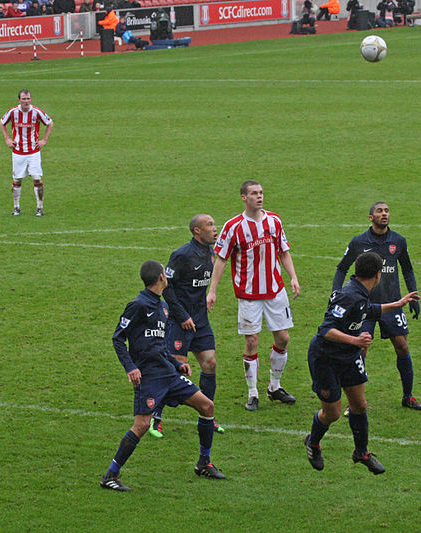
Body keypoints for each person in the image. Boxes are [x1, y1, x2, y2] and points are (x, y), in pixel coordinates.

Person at [100, 260, 226, 491]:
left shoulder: (163, 307)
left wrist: (176, 365)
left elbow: (159, 345)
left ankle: (203, 463)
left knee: (207, 407)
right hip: (148, 377)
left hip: (168, 374)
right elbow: (118, 338)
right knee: (141, 425)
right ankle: (111, 475)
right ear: (160, 277)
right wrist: (131, 367)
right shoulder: (137, 305)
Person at [304, 252, 419, 475]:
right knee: (333, 414)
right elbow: (325, 330)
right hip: (326, 358)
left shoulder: (360, 292)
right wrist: (355, 340)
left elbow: (368, 310)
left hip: (348, 356)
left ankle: (361, 453)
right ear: (378, 274)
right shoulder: (349, 295)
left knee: (360, 406)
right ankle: (313, 442)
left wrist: (398, 303)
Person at [207, 180, 301, 412]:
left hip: (275, 291)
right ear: (243, 197)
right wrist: (213, 290)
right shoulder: (234, 226)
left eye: (261, 193)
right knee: (251, 341)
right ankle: (253, 392)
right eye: (253, 193)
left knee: (283, 338)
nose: (259, 197)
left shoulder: (274, 221)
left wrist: (293, 277)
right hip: (248, 294)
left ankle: (274, 387)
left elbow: (284, 252)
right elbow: (221, 259)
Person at [332, 202, 421, 410]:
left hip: (392, 304)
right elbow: (341, 268)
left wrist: (414, 296)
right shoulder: (359, 242)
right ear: (370, 217)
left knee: (402, 346)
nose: (384, 214)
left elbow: (407, 269)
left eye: (386, 211)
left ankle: (408, 396)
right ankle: (353, 403)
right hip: (364, 306)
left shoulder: (398, 241)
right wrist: (335, 293)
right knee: (360, 350)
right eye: (379, 211)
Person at [150, 215, 224, 437]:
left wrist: (209, 297)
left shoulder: (210, 252)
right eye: (209, 225)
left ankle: (207, 416)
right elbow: (167, 288)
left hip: (200, 320)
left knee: (209, 363)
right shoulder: (182, 255)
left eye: (214, 224)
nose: (215, 228)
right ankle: (156, 416)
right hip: (179, 321)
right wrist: (182, 315)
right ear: (196, 231)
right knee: (175, 370)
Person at [0, 89, 53, 217]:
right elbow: (2, 122)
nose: (26, 101)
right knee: (17, 180)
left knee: (36, 178)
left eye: (28, 98)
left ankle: (40, 207)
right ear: (19, 100)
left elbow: (50, 123)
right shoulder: (13, 112)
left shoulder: (36, 112)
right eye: (23, 99)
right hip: (18, 151)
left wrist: (44, 140)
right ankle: (16, 207)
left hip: (33, 151)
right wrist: (7, 138)